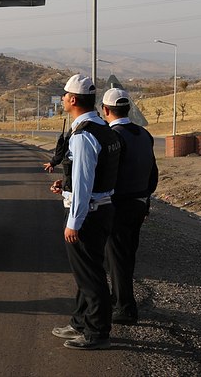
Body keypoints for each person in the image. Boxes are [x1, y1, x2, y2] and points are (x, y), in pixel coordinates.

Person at [49, 74, 121, 350]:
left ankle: (97, 331)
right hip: (101, 208)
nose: (63, 99)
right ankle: (80, 321)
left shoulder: (83, 136)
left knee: (90, 276)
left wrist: (73, 222)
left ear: (74, 100)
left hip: (88, 214)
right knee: (85, 273)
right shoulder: (103, 128)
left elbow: (83, 184)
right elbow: (91, 175)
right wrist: (64, 185)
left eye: (65, 95)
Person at [101, 88, 159, 325]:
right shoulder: (144, 134)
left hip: (119, 205)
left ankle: (124, 307)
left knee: (117, 256)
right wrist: (145, 200)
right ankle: (121, 301)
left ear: (105, 110)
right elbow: (153, 173)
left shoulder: (113, 138)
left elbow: (108, 175)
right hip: (139, 203)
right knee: (126, 255)